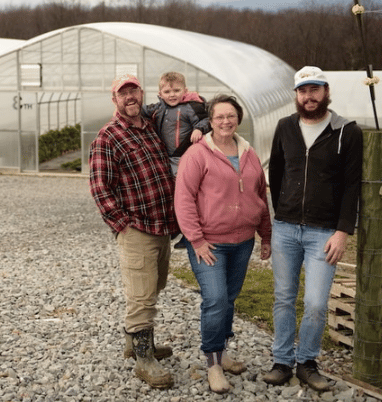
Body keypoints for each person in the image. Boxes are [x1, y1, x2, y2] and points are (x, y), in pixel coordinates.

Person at [263, 66, 363, 392]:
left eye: (315, 89)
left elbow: (352, 185)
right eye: (303, 90)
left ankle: (306, 362)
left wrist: (343, 231)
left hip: (324, 233)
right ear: (296, 94)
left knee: (317, 302)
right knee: (284, 298)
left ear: (325, 90)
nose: (309, 96)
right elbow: (276, 172)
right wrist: (283, 212)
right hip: (287, 229)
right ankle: (281, 362)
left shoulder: (346, 131)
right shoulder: (285, 127)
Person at [174, 94, 272, 393]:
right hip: (209, 243)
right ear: (210, 121)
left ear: (238, 118)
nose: (225, 121)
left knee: (229, 298)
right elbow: (184, 199)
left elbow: (259, 194)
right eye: (219, 117)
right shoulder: (198, 154)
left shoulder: (248, 153)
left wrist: (266, 235)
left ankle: (223, 352)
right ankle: (213, 364)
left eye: (230, 116)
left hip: (242, 242)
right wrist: (197, 240)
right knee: (215, 299)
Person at [89, 74, 179, 389]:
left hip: (161, 225)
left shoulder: (151, 127)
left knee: (153, 286)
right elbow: (100, 187)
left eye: (133, 90)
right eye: (122, 92)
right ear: (114, 99)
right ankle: (144, 360)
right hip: (137, 227)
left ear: (141, 94)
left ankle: (137, 343)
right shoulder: (108, 136)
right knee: (141, 293)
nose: (129, 97)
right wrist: (122, 225)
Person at [141, 71, 210, 249]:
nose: (172, 95)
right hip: (167, 159)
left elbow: (207, 119)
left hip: (185, 157)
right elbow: (144, 111)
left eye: (176, 91)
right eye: (167, 92)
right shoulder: (160, 107)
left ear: (185, 90)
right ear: (160, 94)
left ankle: (189, 234)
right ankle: (176, 227)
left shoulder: (190, 107)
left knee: (187, 196)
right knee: (173, 195)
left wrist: (199, 129)